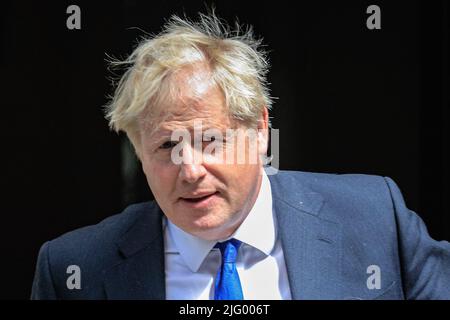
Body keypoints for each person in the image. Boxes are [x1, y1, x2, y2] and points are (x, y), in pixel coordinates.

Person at [31, 12, 450, 300]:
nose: (190, 170)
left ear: (260, 130)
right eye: (165, 146)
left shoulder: (375, 218)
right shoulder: (74, 268)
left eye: (210, 140)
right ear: (138, 153)